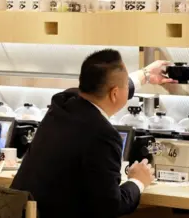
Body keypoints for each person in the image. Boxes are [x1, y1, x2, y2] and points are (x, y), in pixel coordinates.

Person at [11, 49, 176, 218]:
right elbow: (110, 205)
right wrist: (138, 181)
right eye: (125, 84)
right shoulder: (103, 135)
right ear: (114, 93)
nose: (128, 86)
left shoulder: (64, 101)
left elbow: (114, 89)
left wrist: (146, 75)